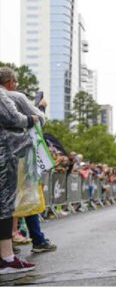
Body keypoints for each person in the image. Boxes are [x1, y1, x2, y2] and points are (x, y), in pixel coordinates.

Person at [0, 67, 57, 253]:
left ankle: (8, 243)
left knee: (9, 200)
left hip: (6, 154)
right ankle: (36, 239)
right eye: (15, 82)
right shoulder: (16, 97)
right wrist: (40, 108)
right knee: (25, 197)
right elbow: (38, 120)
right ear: (10, 83)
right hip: (17, 153)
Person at [0, 81, 37, 273]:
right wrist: (31, 119)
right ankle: (7, 258)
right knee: (4, 206)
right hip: (4, 155)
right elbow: (13, 118)